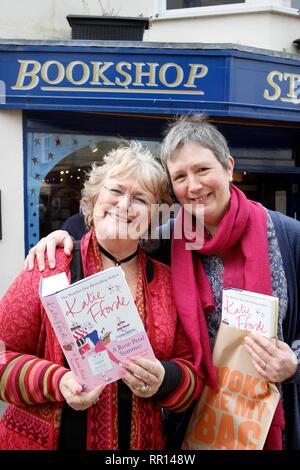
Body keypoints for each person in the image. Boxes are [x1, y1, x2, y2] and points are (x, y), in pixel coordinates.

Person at [24, 115, 300, 450]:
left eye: (202, 170)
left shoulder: (288, 236)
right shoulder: (170, 239)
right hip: (196, 421)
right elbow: (113, 228)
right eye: (180, 177)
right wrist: (61, 236)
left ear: (228, 167)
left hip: (271, 416)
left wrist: (294, 360)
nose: (193, 186)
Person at [0, 141, 203, 450]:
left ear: (155, 215)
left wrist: (164, 379)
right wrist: (56, 380)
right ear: (95, 198)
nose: (124, 205)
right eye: (116, 191)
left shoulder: (166, 283)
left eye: (140, 199)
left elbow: (193, 375)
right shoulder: (51, 266)